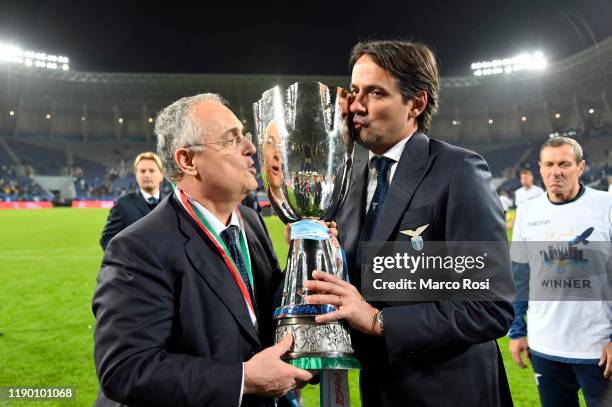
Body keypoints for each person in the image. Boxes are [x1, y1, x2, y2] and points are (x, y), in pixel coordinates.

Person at [304, 40, 515, 406]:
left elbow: (489, 307)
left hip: (450, 391)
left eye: (375, 93)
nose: (356, 105)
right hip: (380, 390)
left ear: (416, 103)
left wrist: (378, 321)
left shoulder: (458, 171)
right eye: (354, 91)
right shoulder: (349, 182)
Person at [92, 93, 312, 407]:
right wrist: (243, 379)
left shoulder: (250, 221)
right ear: (188, 161)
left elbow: (260, 314)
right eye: (232, 139)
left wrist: (302, 256)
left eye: (245, 136)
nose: (251, 148)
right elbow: (126, 369)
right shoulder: (137, 247)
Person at [508, 137, 612, 407]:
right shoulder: (528, 211)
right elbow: (520, 276)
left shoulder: (606, 206)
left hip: (598, 348)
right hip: (545, 347)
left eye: (565, 164)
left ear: (581, 167)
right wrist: (518, 330)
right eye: (549, 164)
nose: (556, 172)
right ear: (540, 169)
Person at [99, 152, 165, 250]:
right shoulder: (122, 205)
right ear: (136, 176)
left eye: (152, 171)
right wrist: (125, 261)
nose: (147, 175)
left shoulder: (174, 204)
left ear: (162, 175)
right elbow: (107, 239)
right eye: (142, 171)